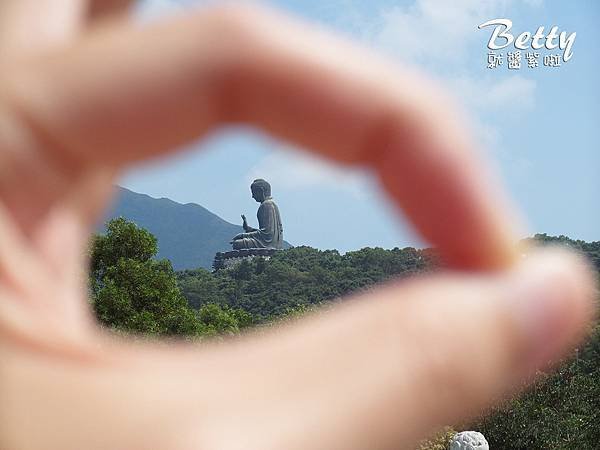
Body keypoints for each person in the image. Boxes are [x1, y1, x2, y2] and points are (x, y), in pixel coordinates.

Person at [0, 1, 595, 449]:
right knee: (235, 243)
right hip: (262, 247)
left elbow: (270, 238)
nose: (259, 194)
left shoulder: (269, 208)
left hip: (268, 251)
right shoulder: (259, 206)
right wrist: (246, 233)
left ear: (264, 191)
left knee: (237, 247)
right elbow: (259, 233)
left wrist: (250, 235)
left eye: (259, 190)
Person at [232, 179, 283, 250]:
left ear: (261, 191)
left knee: (237, 243)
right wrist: (249, 229)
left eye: (254, 193)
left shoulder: (266, 205)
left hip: (267, 243)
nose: (252, 196)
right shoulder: (272, 204)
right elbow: (265, 231)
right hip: (273, 243)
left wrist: (243, 235)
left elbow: (267, 234)